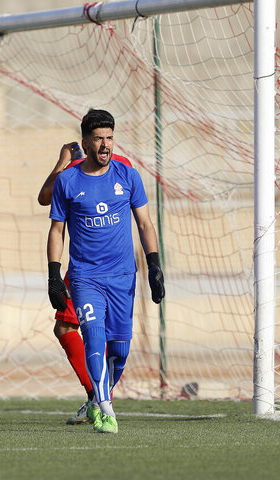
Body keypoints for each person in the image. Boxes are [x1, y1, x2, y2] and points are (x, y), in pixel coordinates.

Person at [46, 109, 165, 434]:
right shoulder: (69, 179)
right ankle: (106, 408)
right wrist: (54, 274)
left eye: (109, 137)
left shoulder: (127, 174)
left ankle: (99, 398)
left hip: (124, 277)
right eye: (98, 138)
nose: (105, 144)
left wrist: (154, 264)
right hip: (86, 277)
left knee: (120, 350)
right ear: (86, 142)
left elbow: (144, 223)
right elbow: (56, 228)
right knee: (92, 336)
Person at [38, 140, 133, 425]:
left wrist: (63, 161)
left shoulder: (77, 171)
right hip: (104, 266)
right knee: (75, 328)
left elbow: (44, 196)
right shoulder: (121, 166)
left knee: (83, 330)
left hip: (90, 267)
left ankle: (97, 396)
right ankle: (98, 397)